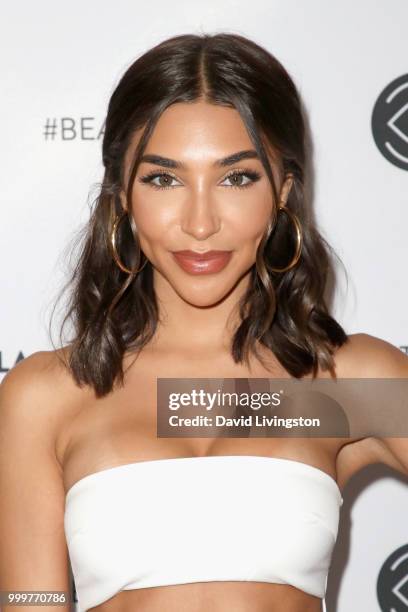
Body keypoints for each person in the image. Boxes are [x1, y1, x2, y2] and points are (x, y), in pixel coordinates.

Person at [0, 32, 407, 612]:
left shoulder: (345, 385)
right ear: (123, 198)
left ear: (283, 193)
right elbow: (28, 600)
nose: (199, 223)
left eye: (237, 177)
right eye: (163, 179)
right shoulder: (47, 396)